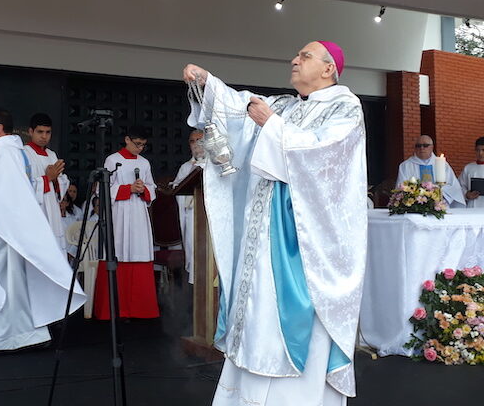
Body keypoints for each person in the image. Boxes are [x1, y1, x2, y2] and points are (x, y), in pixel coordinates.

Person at [182, 39, 367, 406]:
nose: (294, 60)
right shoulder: (285, 105)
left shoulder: (345, 108)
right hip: (263, 234)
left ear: (329, 68)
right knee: (256, 313)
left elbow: (325, 158)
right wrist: (208, 84)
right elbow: (240, 106)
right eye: (297, 55)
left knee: (288, 316)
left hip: (303, 241)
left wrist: (273, 126)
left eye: (305, 56)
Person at [0, 108, 85, 350]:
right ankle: (20, 333)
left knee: (5, 283)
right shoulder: (8, 152)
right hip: (3, 227)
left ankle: (6, 335)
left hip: (1, 229)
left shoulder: (3, 154)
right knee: (10, 283)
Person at [94, 126, 159, 320]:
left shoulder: (145, 163)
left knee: (138, 251)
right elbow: (103, 189)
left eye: (143, 145)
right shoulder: (113, 160)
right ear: (127, 139)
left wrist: (143, 190)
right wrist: (127, 188)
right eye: (137, 144)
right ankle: (114, 309)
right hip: (119, 213)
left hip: (138, 213)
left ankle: (140, 309)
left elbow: (152, 188)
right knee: (118, 251)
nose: (139, 148)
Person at [23, 113, 70, 252]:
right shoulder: (24, 153)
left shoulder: (52, 155)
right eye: (40, 132)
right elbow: (22, 186)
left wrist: (56, 180)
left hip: (53, 209)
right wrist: (47, 178)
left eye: (48, 132)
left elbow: (62, 182)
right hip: (35, 212)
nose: (44, 136)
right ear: (30, 131)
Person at [171, 129, 205, 282]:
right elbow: (177, 189)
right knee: (194, 250)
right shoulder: (186, 168)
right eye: (192, 141)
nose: (196, 144)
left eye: (199, 140)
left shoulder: (216, 164)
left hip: (211, 218)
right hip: (192, 217)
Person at [395, 134, 465, 208]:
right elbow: (401, 187)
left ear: (432, 147)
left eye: (425, 145)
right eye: (418, 146)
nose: (422, 148)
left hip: (439, 206)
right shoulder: (406, 165)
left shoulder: (442, 164)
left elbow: (453, 186)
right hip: (415, 207)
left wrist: (436, 191)